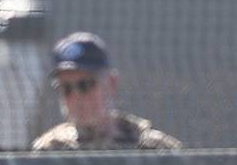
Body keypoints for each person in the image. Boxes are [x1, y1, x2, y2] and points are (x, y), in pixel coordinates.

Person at [31, 32, 182, 151]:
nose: (76, 96)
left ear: (111, 83)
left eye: (85, 85)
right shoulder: (49, 151)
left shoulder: (153, 148)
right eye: (66, 88)